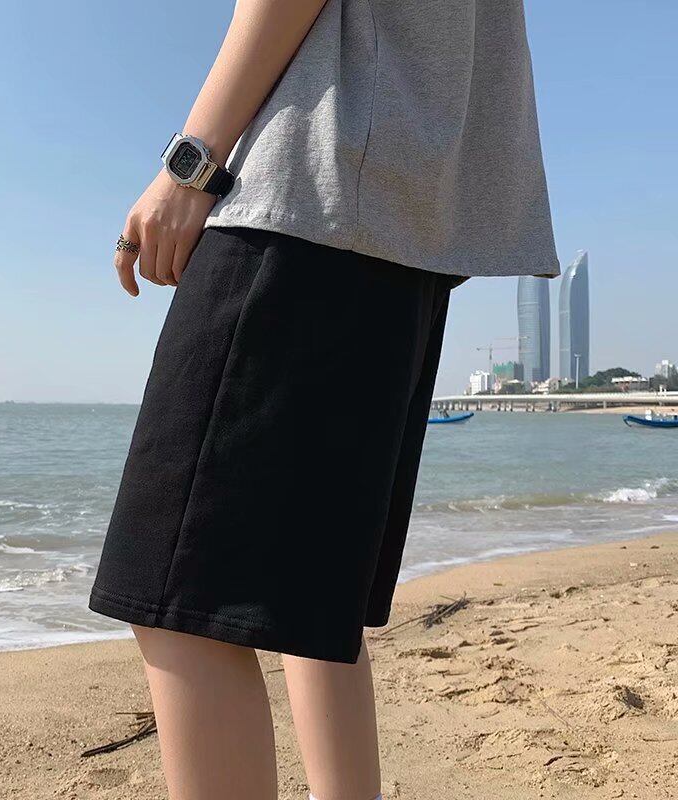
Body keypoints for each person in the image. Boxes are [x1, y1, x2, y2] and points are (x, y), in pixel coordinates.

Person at [89, 1, 559, 797]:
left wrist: (190, 164)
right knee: (309, 601)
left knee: (175, 597)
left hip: (308, 196)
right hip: (399, 224)